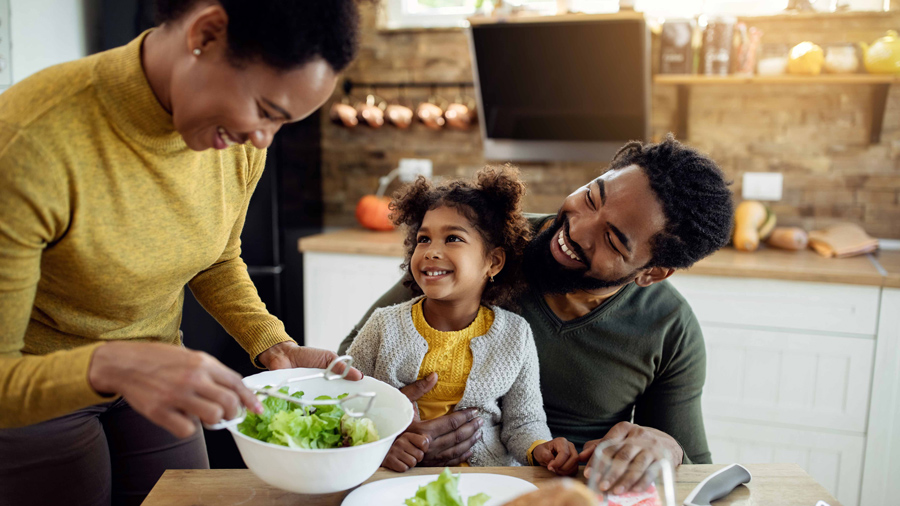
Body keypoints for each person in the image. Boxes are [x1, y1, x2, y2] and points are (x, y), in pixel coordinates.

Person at [0, 1, 363, 505]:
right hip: (35, 389)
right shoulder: (29, 141)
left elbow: (215, 256)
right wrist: (113, 365)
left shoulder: (241, 143)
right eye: (265, 110)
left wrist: (270, 342)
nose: (262, 139)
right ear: (207, 34)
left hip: (157, 372)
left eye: (282, 123)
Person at [340, 135, 735, 495]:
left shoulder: (669, 328)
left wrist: (666, 446)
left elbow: (698, 474)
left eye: (612, 240)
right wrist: (387, 428)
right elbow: (353, 364)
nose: (578, 230)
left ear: (652, 272)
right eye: (592, 197)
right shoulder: (485, 245)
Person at [347, 166, 579, 475]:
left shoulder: (515, 334)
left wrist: (540, 449)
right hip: (398, 476)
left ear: (493, 262)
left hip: (487, 480)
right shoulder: (382, 326)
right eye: (424, 239)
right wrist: (380, 443)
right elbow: (346, 403)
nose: (431, 251)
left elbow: (524, 421)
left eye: (453, 238)